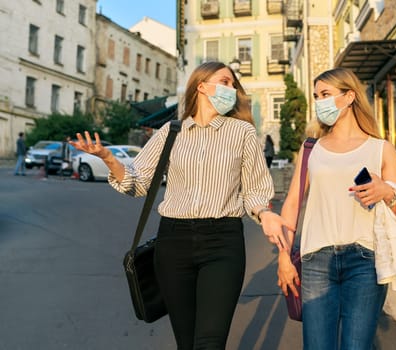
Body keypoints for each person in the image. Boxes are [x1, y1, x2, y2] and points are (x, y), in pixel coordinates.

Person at [70, 61, 290, 350]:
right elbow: (137, 183)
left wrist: (265, 213)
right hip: (174, 243)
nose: (232, 89)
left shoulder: (242, 133)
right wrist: (109, 159)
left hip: (223, 242)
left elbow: (255, 190)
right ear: (201, 86)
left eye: (234, 85)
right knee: (186, 343)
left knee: (209, 343)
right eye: (225, 82)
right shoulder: (170, 132)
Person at [276, 67, 396, 350]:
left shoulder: (381, 149)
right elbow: (293, 203)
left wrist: (387, 193)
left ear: (349, 97)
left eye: (326, 94)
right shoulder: (312, 148)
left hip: (365, 260)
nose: (320, 102)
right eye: (316, 96)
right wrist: (284, 256)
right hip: (316, 261)